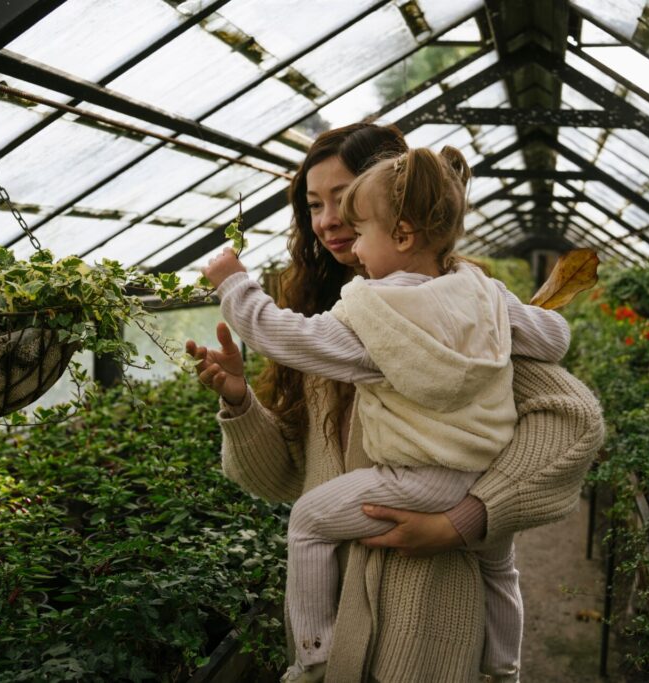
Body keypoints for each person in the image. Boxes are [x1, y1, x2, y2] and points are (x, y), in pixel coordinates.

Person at [185, 123, 605, 683]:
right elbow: (289, 478)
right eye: (314, 204)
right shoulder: (322, 314)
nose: (331, 219)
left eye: (344, 198)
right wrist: (239, 404)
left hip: (426, 624)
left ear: (399, 206)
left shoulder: (456, 306)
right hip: (340, 630)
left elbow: (572, 423)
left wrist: (464, 519)